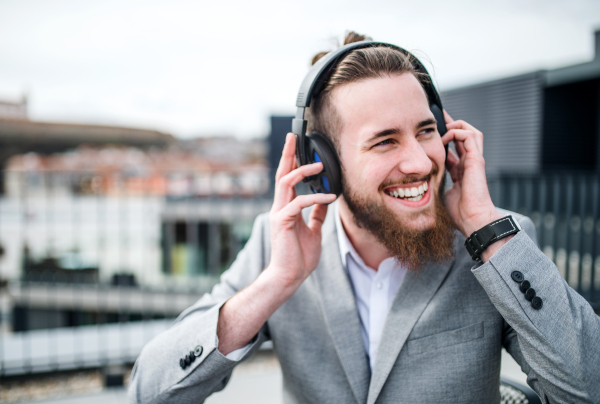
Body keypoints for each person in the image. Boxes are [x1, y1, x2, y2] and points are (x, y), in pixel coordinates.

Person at [128, 32, 600, 404]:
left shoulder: (496, 245)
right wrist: (275, 284)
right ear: (326, 164)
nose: (419, 162)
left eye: (426, 131)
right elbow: (149, 392)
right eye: (385, 141)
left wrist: (488, 232)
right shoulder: (279, 247)